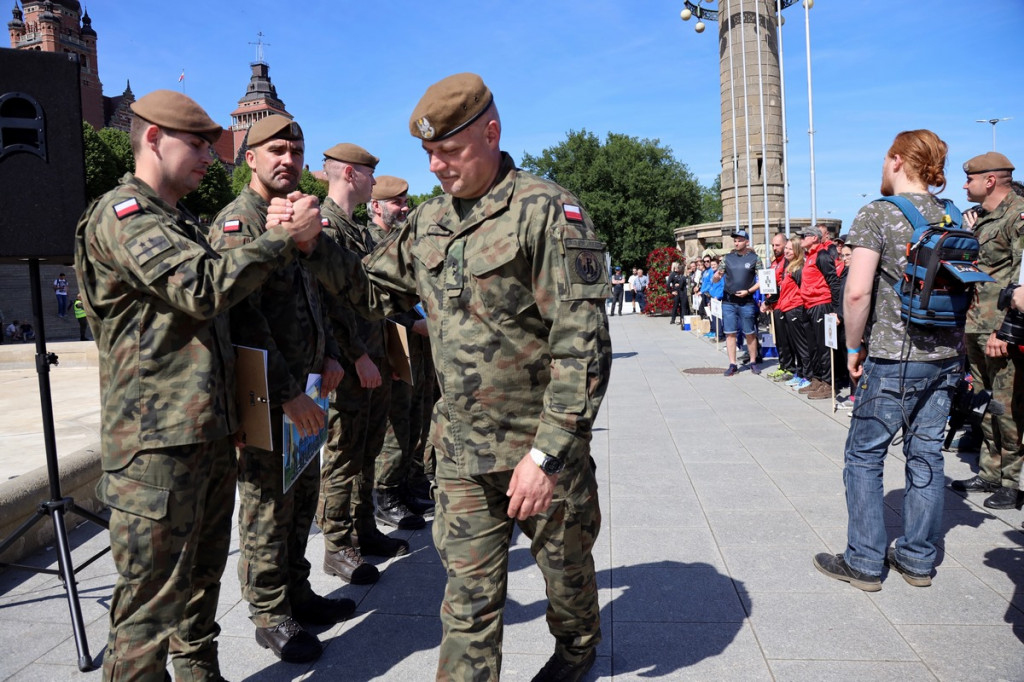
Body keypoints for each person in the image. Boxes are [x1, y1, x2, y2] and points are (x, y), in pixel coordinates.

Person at [289, 72, 610, 682]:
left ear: (492, 133)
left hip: (536, 447)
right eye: (428, 153)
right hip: (460, 452)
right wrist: (311, 246)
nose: (436, 166)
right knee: (466, 601)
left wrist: (546, 457)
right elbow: (368, 289)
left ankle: (577, 649)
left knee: (566, 574)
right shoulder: (429, 222)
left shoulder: (546, 212)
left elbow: (583, 348)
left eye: (450, 151)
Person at [73, 90, 323, 681]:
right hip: (154, 444)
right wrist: (283, 239)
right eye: (198, 143)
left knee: (200, 581)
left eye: (214, 144)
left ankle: (200, 672)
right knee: (149, 603)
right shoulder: (122, 214)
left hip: (204, 432)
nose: (212, 156)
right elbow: (200, 288)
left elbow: (222, 325)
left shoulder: (178, 220)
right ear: (154, 138)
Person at [208, 114, 351, 664]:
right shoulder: (239, 224)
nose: (287, 159)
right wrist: (287, 391)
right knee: (268, 504)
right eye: (275, 150)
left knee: (300, 496)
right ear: (249, 158)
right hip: (268, 394)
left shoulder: (295, 216)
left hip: (308, 386)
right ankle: (271, 612)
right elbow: (244, 321)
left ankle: (297, 591)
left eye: (295, 149)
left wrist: (331, 355)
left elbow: (313, 299)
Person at [813, 129, 964, 592]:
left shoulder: (879, 214)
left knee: (864, 455)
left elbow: (856, 291)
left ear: (897, 160)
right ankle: (918, 558)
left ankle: (863, 559)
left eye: (885, 159)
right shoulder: (954, 215)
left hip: (893, 354)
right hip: (945, 355)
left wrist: (853, 348)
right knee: (926, 455)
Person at [317, 143, 414, 587]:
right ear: (352, 175)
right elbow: (329, 304)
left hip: (372, 357)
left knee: (368, 449)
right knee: (343, 454)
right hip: (350, 362)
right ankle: (337, 545)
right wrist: (356, 356)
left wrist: (383, 356)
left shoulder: (353, 230)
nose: (376, 182)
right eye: (370, 174)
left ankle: (362, 528)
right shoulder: (327, 229)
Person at [949, 151, 1024, 510]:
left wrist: (1005, 331)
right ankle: (991, 471)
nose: (965, 184)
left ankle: (1013, 480)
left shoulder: (1018, 215)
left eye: (970, 179)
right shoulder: (982, 219)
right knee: (986, 402)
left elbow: (1021, 281)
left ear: (990, 181)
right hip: (977, 325)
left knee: (1009, 406)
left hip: (1001, 329)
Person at [367, 175, 436, 522]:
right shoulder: (372, 242)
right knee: (396, 425)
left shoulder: (402, 241)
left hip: (417, 344)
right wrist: (412, 326)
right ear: (376, 206)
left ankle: (409, 482)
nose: (405, 207)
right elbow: (376, 303)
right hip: (395, 343)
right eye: (398, 202)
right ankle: (386, 494)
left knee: (415, 420)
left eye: (406, 201)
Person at [798, 227, 840, 399]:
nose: (800, 239)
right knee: (813, 346)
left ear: (814, 237)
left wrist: (836, 310)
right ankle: (818, 378)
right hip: (809, 305)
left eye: (804, 236)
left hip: (821, 304)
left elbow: (833, 282)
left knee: (824, 347)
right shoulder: (808, 257)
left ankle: (829, 383)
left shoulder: (822, 255)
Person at [717, 229, 762, 376]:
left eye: (740, 240)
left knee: (750, 333)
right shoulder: (727, 258)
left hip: (746, 301)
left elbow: (762, 280)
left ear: (747, 241)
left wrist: (749, 291)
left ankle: (753, 361)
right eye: (735, 240)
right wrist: (716, 277)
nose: (737, 243)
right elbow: (718, 275)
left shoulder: (755, 258)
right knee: (730, 333)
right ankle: (732, 364)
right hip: (729, 301)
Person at [778, 236, 812, 389]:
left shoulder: (798, 268)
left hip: (795, 309)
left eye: (790, 249)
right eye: (786, 248)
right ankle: (800, 373)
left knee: (801, 345)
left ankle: (807, 376)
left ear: (798, 250)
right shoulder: (790, 266)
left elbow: (803, 288)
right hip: (788, 308)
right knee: (794, 345)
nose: (787, 251)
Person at [762, 232, 792, 381]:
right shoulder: (775, 262)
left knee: (785, 340)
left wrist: (768, 301)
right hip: (775, 306)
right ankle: (783, 365)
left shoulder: (786, 262)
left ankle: (789, 368)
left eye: (777, 245)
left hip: (783, 305)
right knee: (779, 339)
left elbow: (781, 286)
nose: (774, 248)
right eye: (773, 245)